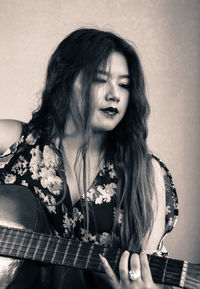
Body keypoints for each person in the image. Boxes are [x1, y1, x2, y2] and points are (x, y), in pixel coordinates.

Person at [0, 28, 178, 289]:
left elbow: (146, 274)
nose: (114, 94)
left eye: (124, 85)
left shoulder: (146, 174)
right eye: (99, 80)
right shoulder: (13, 140)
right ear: (65, 80)